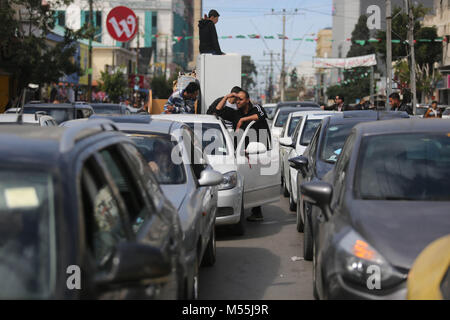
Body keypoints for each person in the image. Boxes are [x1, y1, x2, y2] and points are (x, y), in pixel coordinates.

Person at [215, 89, 270, 222]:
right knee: (238, 181)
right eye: (236, 99)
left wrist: (243, 120)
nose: (238, 102)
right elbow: (217, 111)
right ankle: (238, 208)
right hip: (239, 153)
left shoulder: (256, 108)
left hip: (256, 152)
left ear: (247, 100)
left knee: (254, 181)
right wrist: (227, 96)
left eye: (240, 99)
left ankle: (257, 212)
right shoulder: (235, 113)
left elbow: (261, 116)